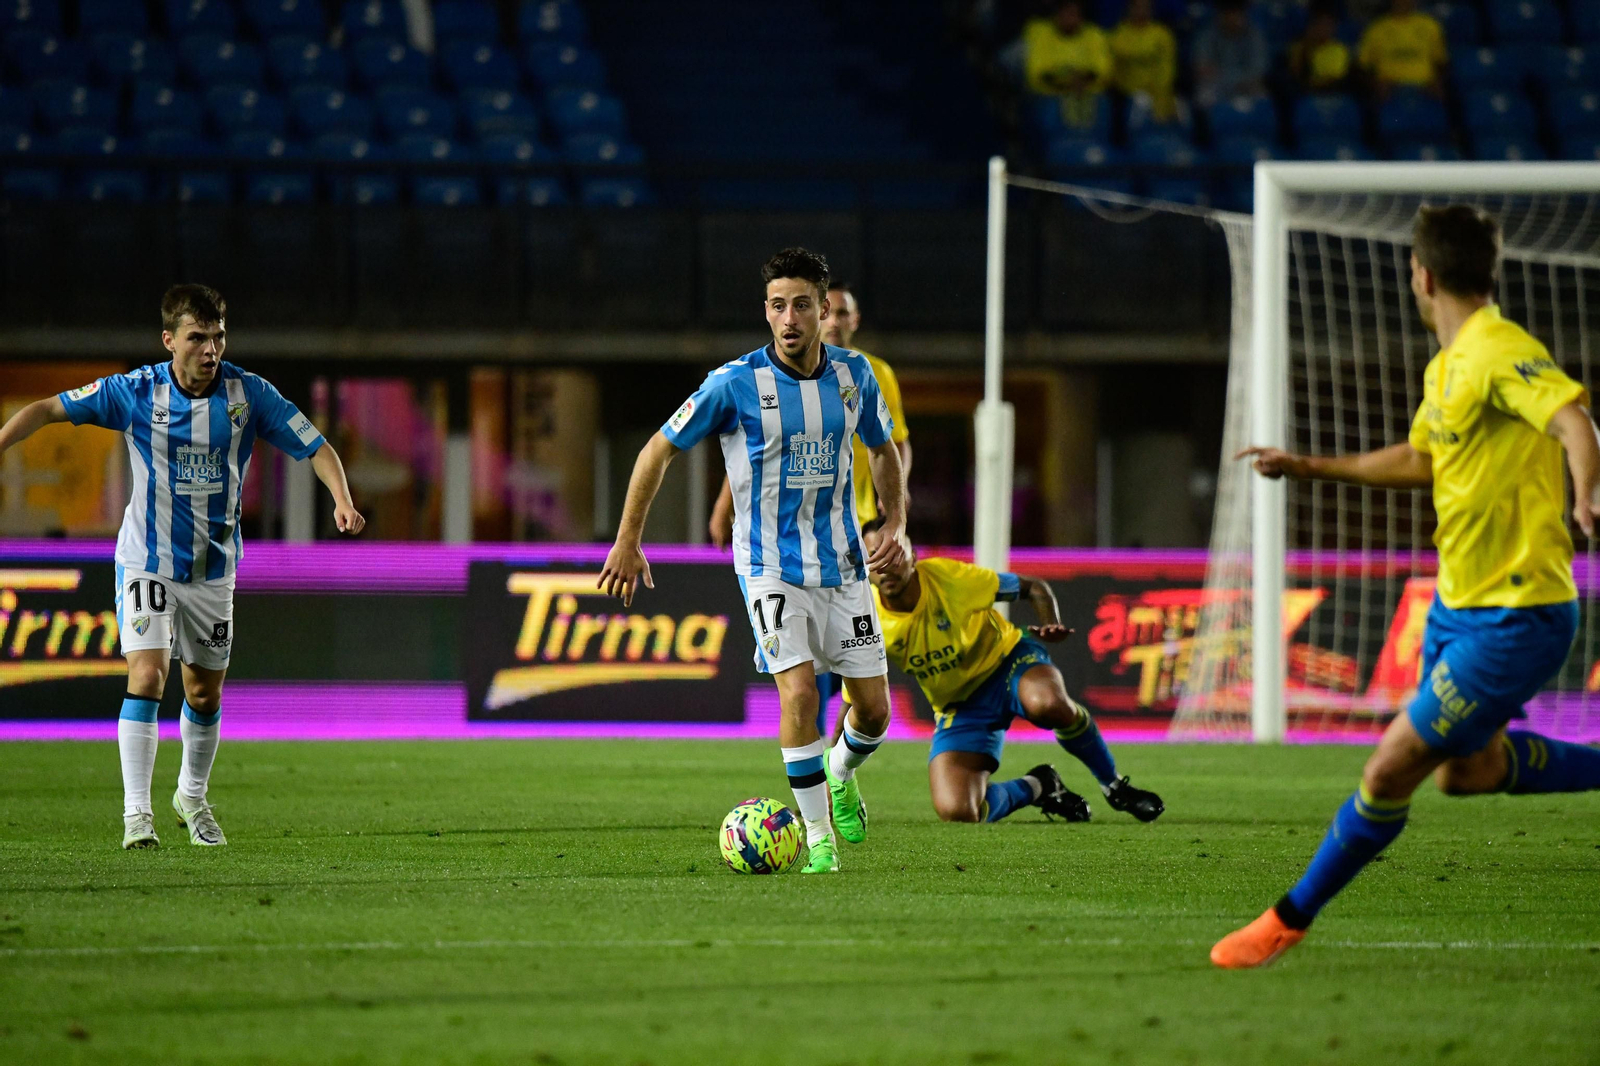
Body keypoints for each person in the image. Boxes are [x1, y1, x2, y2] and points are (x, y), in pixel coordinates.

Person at [1214, 205, 1600, 968]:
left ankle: (1287, 919)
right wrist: (1307, 466)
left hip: (1516, 613)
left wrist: (1587, 494)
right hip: (1461, 608)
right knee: (1470, 772)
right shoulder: (1447, 368)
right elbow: (1424, 459)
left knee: (1388, 768)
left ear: (1420, 277)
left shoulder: (1498, 348)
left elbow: (1574, 419)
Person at [0, 284, 365, 850]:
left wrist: (341, 499)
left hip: (214, 570)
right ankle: (136, 816)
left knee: (204, 695)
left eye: (218, 336)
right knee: (147, 674)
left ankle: (191, 798)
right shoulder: (136, 392)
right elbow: (47, 409)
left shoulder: (249, 396)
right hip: (148, 558)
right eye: (197, 338)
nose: (210, 348)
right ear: (169, 340)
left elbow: (316, 446)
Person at [598, 248, 909, 875]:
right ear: (765, 312)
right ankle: (818, 839)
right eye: (776, 306)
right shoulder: (734, 383)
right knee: (798, 694)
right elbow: (656, 451)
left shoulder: (855, 377)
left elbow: (883, 450)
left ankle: (841, 773)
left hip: (844, 566)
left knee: (874, 710)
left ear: (824, 311)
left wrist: (896, 522)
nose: (788, 318)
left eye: (800, 305)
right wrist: (629, 538)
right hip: (768, 566)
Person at [852, 519, 1165, 826]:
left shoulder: (949, 577)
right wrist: (836, 774)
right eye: (874, 558)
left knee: (1047, 704)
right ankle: (1041, 785)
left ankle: (1114, 786)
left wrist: (1048, 622)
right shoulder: (868, 619)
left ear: (914, 556)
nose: (885, 565)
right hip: (961, 705)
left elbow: (1033, 588)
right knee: (958, 810)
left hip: (1008, 663)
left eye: (894, 554)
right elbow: (857, 701)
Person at [710, 280, 912, 740]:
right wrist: (725, 505)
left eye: (844, 314)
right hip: (784, 538)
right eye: (831, 312)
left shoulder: (869, 372)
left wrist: (895, 511)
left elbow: (893, 443)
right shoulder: (755, 380)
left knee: (863, 666)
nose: (836, 321)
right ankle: (818, 748)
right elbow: (757, 449)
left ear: (851, 320)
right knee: (805, 679)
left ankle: (863, 728)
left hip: (860, 525)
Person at [1022, 0, 1113, 131]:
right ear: (1057, 15)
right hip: (1053, 96)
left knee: (1102, 102)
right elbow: (1036, 73)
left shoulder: (1094, 34)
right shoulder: (1042, 34)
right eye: (1066, 14)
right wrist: (1066, 84)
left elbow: (1103, 70)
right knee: (1049, 106)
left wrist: (1081, 81)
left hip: (1088, 94)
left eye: (1074, 14)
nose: (1071, 19)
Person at [1109, 0, 1180, 127]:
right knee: (1140, 101)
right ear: (1129, 9)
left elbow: (1167, 69)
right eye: (1137, 7)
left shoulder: (1162, 34)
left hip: (1158, 91)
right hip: (1129, 95)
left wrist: (1155, 90)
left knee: (1176, 105)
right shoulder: (1119, 35)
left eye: (1146, 7)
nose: (1141, 11)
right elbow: (1117, 72)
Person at [1357, 0, 1447, 100]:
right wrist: (1375, 84)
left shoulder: (1431, 25)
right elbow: (1363, 67)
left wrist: (1437, 82)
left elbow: (1440, 62)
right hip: (1391, 90)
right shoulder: (1376, 29)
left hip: (1424, 88)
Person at [1191, 0, 1269, 108]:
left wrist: (1236, 81)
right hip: (1216, 87)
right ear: (1221, 15)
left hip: (1247, 86)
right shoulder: (1207, 36)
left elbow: (1258, 70)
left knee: (1262, 97)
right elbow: (1203, 68)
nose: (1233, 18)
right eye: (1228, 13)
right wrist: (1232, 82)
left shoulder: (1254, 36)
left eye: (1237, 13)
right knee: (1204, 96)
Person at [1288, 1, 1352, 95]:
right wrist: (1307, 47)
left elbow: (1335, 80)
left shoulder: (1339, 49)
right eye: (1321, 24)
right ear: (1313, 26)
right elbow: (1296, 76)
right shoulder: (1299, 47)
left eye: (1328, 25)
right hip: (1305, 94)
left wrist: (1315, 83)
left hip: (1332, 93)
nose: (1325, 29)